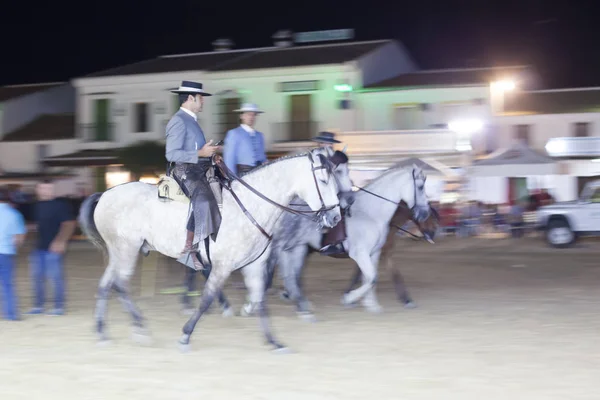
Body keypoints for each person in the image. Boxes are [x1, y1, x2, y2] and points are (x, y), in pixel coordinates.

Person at [165, 80, 221, 270]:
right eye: (201, 98)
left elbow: (199, 151)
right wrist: (200, 154)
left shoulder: (192, 121)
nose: (203, 102)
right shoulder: (178, 120)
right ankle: (189, 249)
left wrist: (211, 156)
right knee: (204, 199)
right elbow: (171, 154)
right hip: (184, 170)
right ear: (191, 98)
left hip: (199, 168)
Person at [26, 180, 75, 316]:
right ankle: (38, 306)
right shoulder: (35, 206)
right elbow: (37, 225)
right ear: (37, 190)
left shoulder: (60, 205)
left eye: (49, 188)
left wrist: (60, 241)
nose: (46, 191)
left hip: (53, 248)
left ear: (53, 190)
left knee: (55, 278)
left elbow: (69, 224)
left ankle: (58, 307)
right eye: (43, 188)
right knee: (37, 278)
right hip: (38, 248)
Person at [309, 131, 349, 255]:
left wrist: (348, 191)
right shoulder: (314, 155)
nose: (326, 144)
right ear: (319, 143)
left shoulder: (337, 156)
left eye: (329, 142)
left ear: (332, 144)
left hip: (334, 191)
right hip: (317, 191)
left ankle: (337, 240)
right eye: (323, 142)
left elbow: (344, 177)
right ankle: (327, 242)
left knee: (344, 207)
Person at [0, 186, 27, 321]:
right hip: (6, 253)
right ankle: (11, 314)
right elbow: (19, 238)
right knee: (7, 284)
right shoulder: (15, 214)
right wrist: (14, 246)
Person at [223, 103, 267, 175]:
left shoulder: (260, 136)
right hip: (243, 175)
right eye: (248, 114)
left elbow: (263, 158)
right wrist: (233, 178)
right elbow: (229, 160)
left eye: (254, 115)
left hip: (260, 175)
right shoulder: (234, 134)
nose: (251, 117)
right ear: (242, 116)